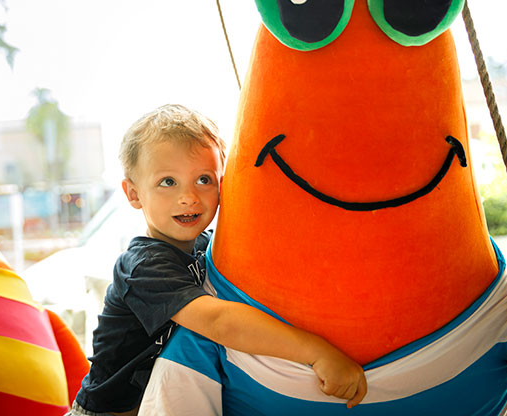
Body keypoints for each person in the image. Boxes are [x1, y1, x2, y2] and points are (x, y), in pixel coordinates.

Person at [68, 105, 367, 416]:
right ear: (133, 194)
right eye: (168, 182)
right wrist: (316, 351)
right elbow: (220, 322)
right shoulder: (143, 266)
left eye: (204, 180)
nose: (189, 197)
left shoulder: (211, 245)